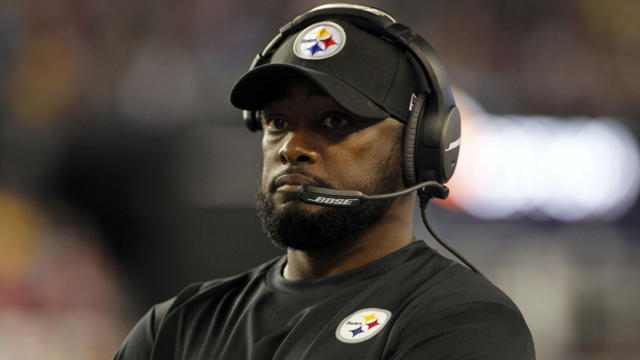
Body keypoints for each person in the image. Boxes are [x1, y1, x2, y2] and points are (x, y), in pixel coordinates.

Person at [114, 4, 535, 359]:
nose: (292, 147)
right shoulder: (174, 328)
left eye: (335, 121)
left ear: (421, 145)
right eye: (278, 122)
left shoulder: (465, 322)